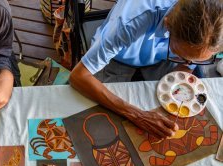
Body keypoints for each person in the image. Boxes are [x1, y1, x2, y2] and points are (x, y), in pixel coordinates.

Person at [70, 0, 222, 139]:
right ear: (167, 26)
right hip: (119, 57)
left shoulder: (212, 24)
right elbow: (78, 76)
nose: (189, 64)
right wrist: (137, 115)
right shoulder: (129, 22)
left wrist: (178, 82)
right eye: (183, 55)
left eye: (195, 59)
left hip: (162, 57)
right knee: (106, 123)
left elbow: (188, 61)